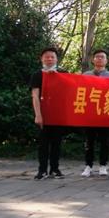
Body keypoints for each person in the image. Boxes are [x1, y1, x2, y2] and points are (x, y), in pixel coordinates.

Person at [31, 47, 67, 180]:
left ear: (57, 59)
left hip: (59, 115)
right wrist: (38, 115)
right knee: (43, 144)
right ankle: (42, 170)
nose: (50, 59)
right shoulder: (37, 75)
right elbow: (35, 96)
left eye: (52, 56)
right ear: (42, 59)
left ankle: (55, 169)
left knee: (57, 143)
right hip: (43, 114)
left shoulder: (63, 73)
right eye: (47, 56)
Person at [81, 49, 109, 177]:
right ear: (93, 59)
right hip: (90, 113)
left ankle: (103, 165)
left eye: (102, 57)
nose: (100, 59)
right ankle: (88, 166)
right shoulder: (85, 75)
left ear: (106, 60)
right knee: (89, 141)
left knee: (104, 142)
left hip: (105, 114)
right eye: (97, 57)